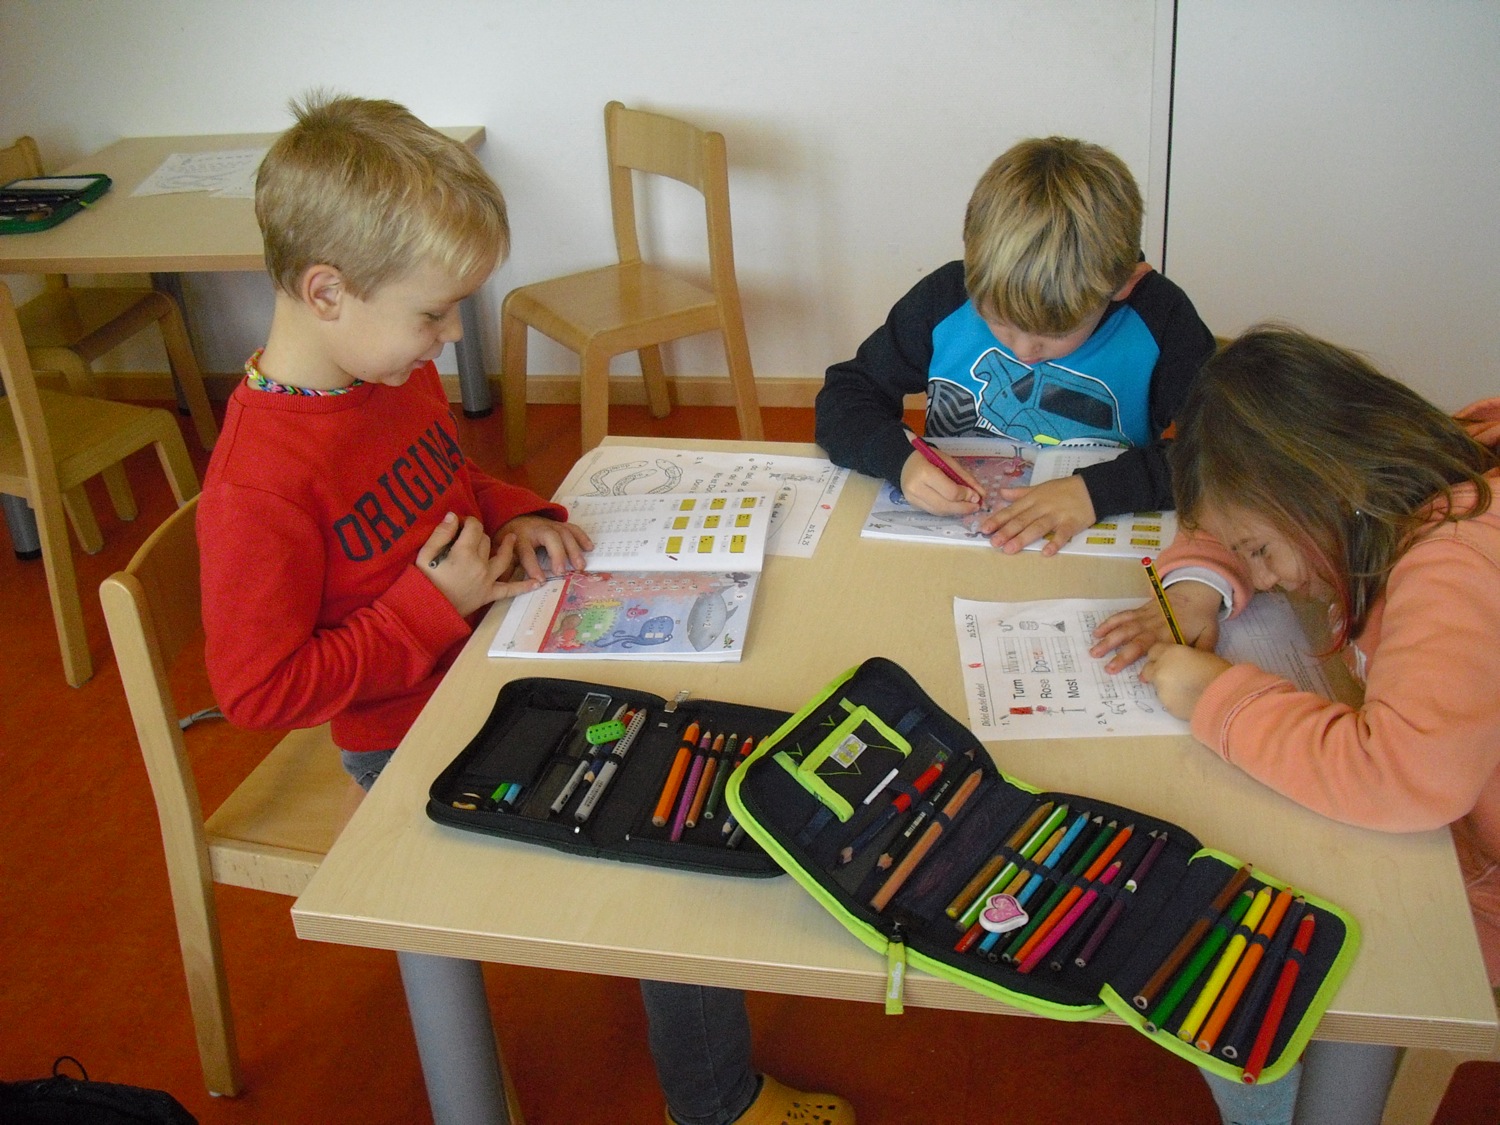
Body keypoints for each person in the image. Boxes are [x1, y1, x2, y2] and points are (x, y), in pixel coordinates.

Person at [197, 91, 853, 1125]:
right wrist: (428, 606)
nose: (450, 334)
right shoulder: (257, 487)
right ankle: (717, 1105)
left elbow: (449, 484)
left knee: (710, 703)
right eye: (432, 313)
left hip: (498, 657)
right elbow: (258, 690)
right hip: (410, 739)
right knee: (671, 850)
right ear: (326, 291)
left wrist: (517, 510)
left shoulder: (386, 372)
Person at [1090, 325, 1500, 1125]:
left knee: (1264, 917)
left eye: (1260, 551)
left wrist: (1219, 697)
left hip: (1467, 881)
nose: (1268, 576)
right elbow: (1234, 513)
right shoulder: (1423, 460)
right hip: (1447, 832)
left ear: (1323, 483)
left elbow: (1401, 777)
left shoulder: (1451, 563)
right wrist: (1202, 581)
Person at [815, 136, 1215, 554]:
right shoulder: (944, 298)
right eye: (999, 323)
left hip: (1084, 549)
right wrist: (900, 460)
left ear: (1124, 284)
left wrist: (1097, 492)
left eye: (1054, 334)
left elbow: (1226, 454)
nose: (1023, 352)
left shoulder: (1161, 320)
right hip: (957, 545)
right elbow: (845, 396)